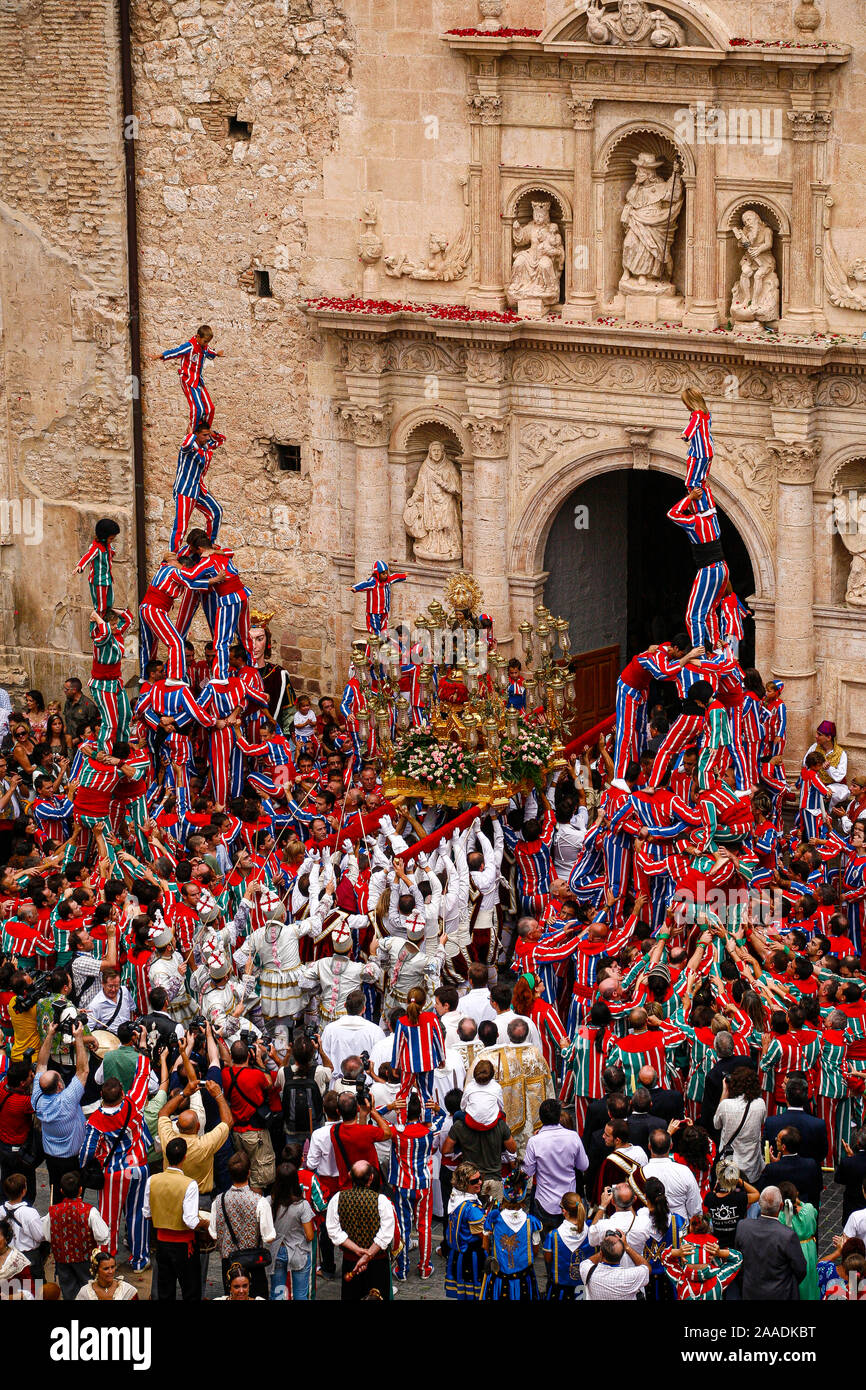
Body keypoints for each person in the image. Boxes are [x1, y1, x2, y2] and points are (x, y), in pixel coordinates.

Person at [33, 1020, 89, 1201]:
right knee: (75, 1194)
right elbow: (83, 1071)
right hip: (71, 1159)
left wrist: (49, 1035)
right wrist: (79, 1038)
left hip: (51, 1157)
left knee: (55, 1190)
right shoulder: (67, 1100)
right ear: (59, 1085)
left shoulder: (37, 1098)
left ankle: (55, 1219)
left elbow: (41, 1064)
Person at [208, 1151, 276, 1298]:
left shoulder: (218, 1201)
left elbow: (213, 1233)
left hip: (229, 1265)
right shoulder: (260, 1202)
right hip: (254, 1263)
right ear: (249, 1173)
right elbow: (269, 1236)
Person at [325, 1159, 396, 1301]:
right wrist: (367, 1255)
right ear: (371, 1178)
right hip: (377, 1263)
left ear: (350, 1176)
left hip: (351, 1261)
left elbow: (333, 1231)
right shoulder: (382, 1201)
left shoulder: (338, 1199)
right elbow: (386, 1234)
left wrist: (357, 1250)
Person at [143, 1135, 202, 1300]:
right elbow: (190, 1221)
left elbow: (147, 1213)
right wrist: (204, 1222)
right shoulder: (189, 1184)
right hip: (184, 1246)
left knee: (165, 1291)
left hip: (162, 1243)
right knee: (191, 1291)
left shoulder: (152, 1180)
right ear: (185, 1157)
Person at [42, 1170, 110, 1301]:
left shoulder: (52, 1212)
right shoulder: (90, 1211)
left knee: (68, 1290)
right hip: (85, 1259)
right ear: (80, 1189)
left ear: (61, 1191)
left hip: (62, 1259)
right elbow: (103, 1236)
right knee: (89, 1289)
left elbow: (47, 1236)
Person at [523, 1097, 588, 1231]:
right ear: (559, 1116)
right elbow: (583, 1165)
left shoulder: (535, 1141)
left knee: (547, 1241)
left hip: (545, 1201)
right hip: (568, 1200)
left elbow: (527, 1172)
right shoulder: (573, 1137)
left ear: (541, 1119)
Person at [735, 1185, 808, 1300]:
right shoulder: (787, 1235)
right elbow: (801, 1269)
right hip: (780, 1293)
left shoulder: (743, 1226)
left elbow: (738, 1261)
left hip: (751, 1291)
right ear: (781, 1206)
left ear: (759, 1203)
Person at [480, 1169, 542, 1301]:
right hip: (524, 1278)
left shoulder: (494, 1218)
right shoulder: (532, 1222)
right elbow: (535, 1251)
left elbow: (485, 1247)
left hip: (499, 1278)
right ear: (523, 1197)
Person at [268, 1163, 314, 1301]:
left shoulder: (269, 1201)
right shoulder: (302, 1205)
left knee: (277, 1295)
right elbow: (310, 1236)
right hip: (298, 1251)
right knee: (300, 1295)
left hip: (276, 1251)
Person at [712, 1065, 766, 1182]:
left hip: (729, 1163)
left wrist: (725, 1091)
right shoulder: (760, 1104)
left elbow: (716, 1124)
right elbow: (762, 1123)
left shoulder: (726, 1105)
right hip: (752, 1164)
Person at [444, 1161, 486, 1301]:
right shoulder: (472, 1209)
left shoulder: (456, 1197)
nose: (480, 1182)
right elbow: (483, 1236)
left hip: (458, 1253)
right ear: (464, 1183)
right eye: (475, 1181)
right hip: (473, 1256)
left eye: (481, 1178)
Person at [580, 1229, 652, 1301]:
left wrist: (606, 1247)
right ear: (622, 1254)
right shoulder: (629, 1276)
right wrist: (626, 1247)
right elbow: (647, 1268)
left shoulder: (588, 1270)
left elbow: (588, 1261)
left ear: (601, 1254)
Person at [778, 1180, 819, 1301]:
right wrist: (798, 1200)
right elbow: (813, 1213)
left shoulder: (783, 1216)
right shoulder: (809, 1208)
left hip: (794, 1249)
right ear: (796, 1194)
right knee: (811, 1278)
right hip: (810, 1248)